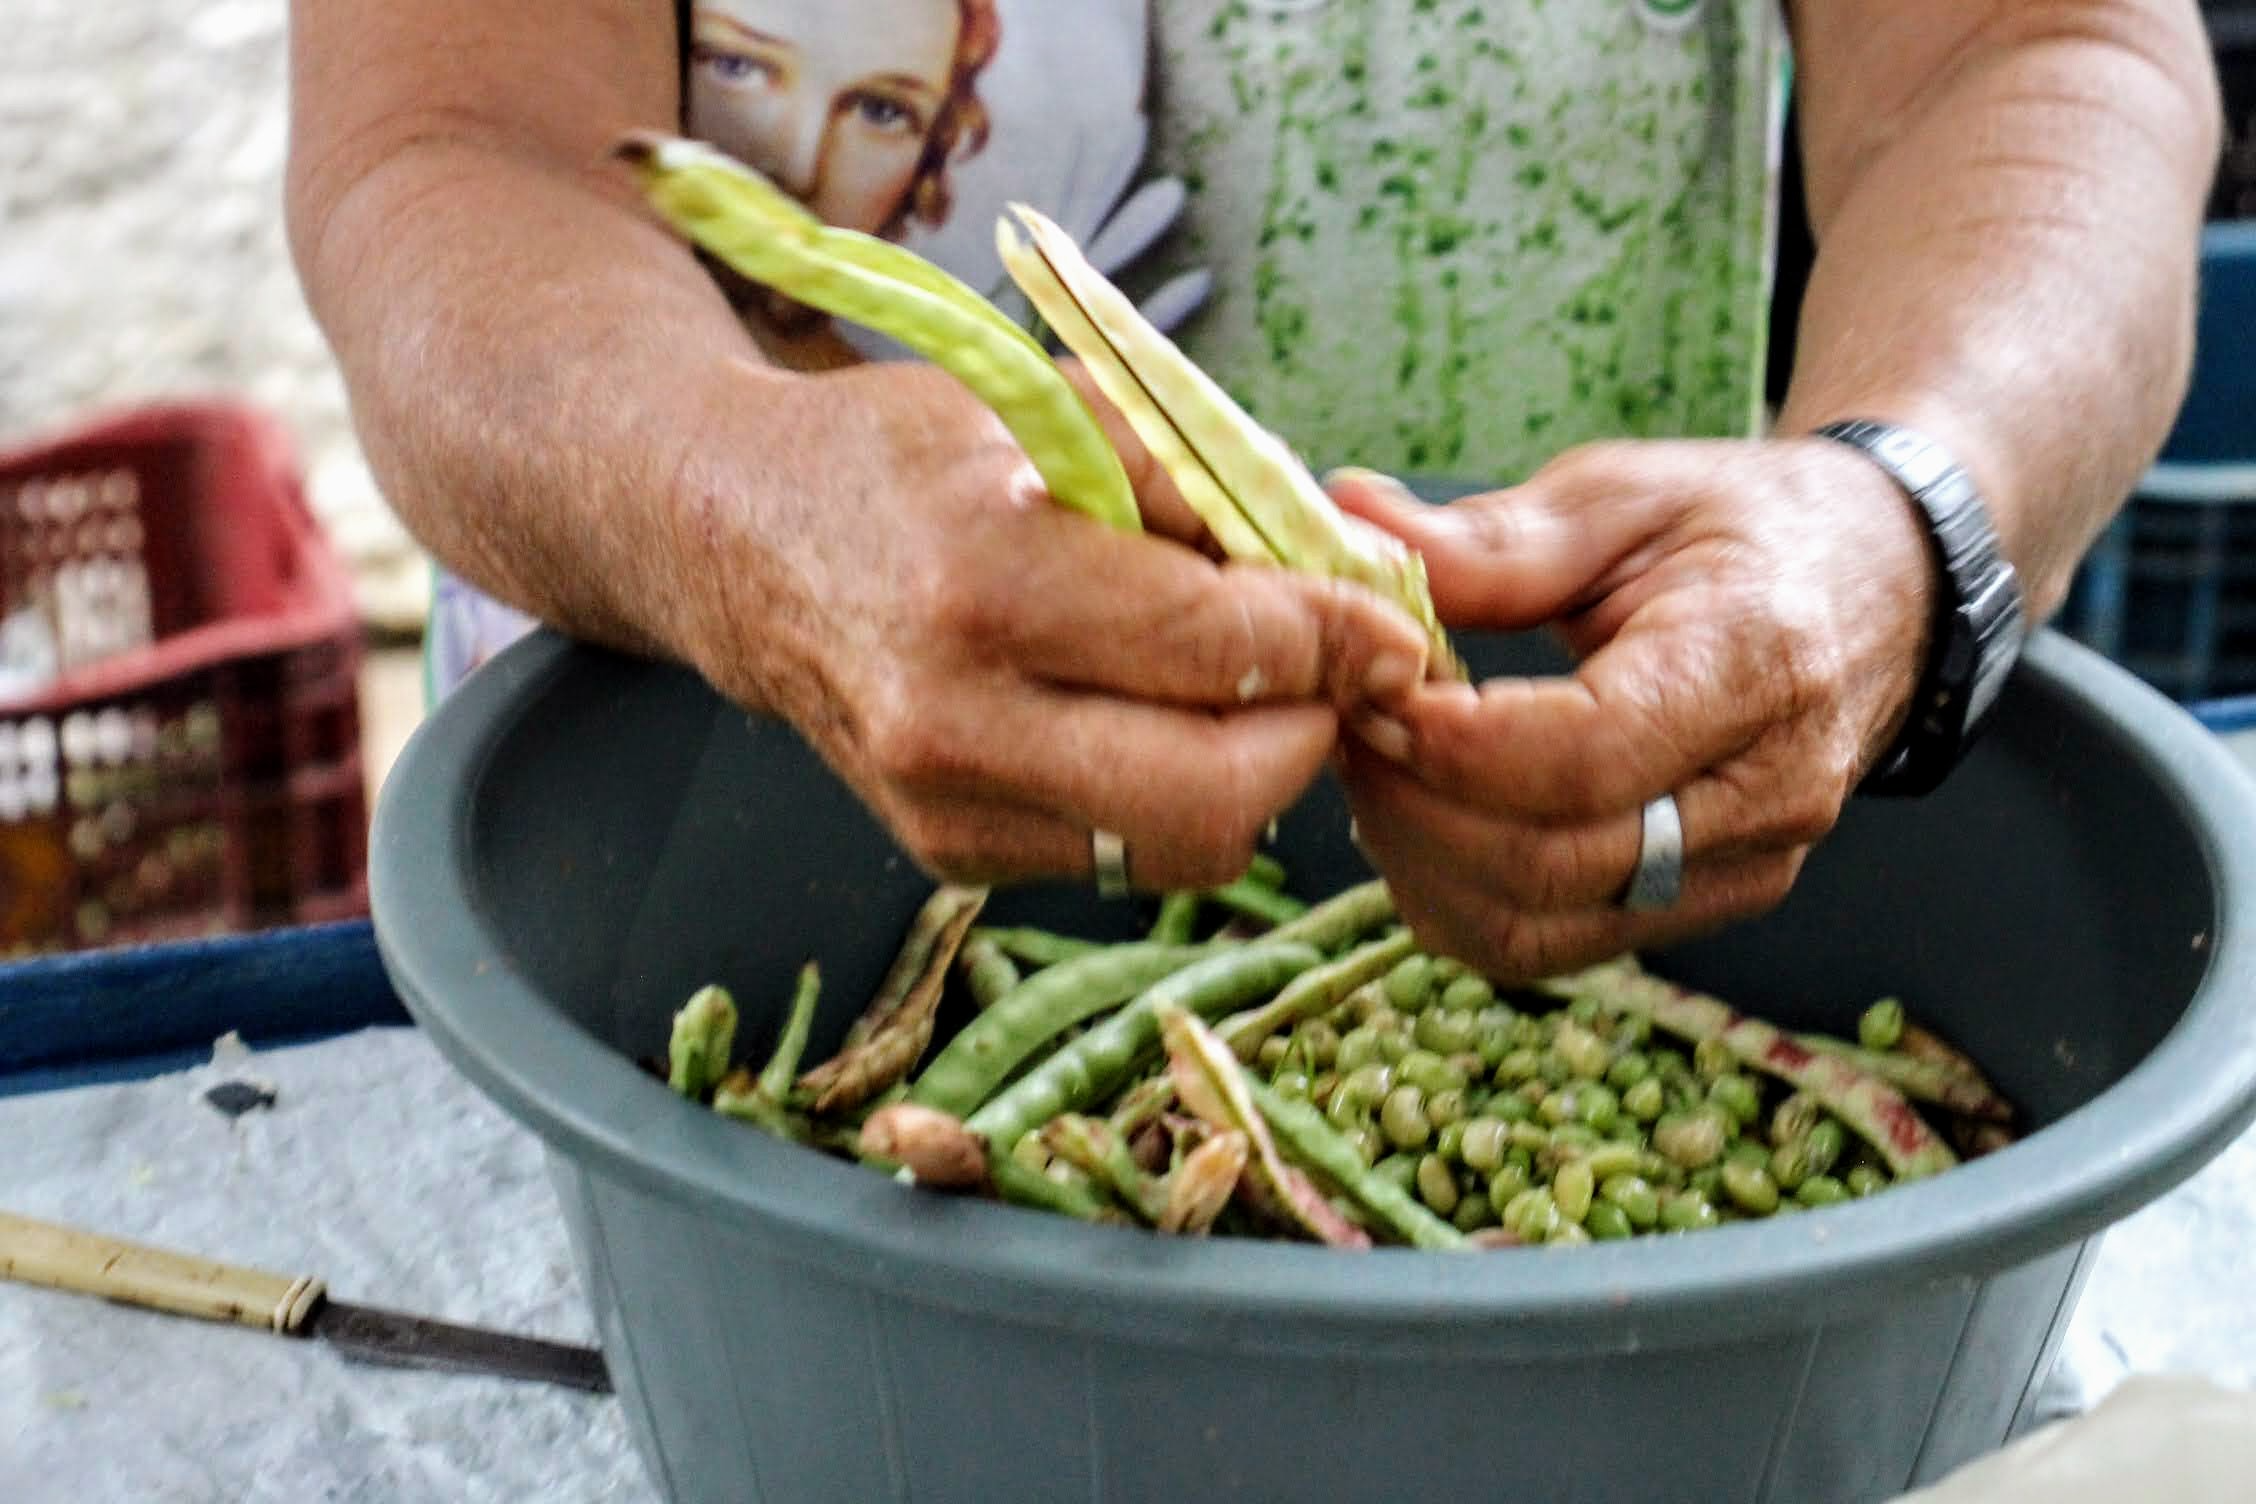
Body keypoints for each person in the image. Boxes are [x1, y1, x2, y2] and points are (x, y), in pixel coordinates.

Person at [286, 0, 2223, 982]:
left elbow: (2036, 49)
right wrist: (734, 504)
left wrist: (1901, 511)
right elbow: (455, 143)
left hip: (1602, 891)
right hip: (691, 855)